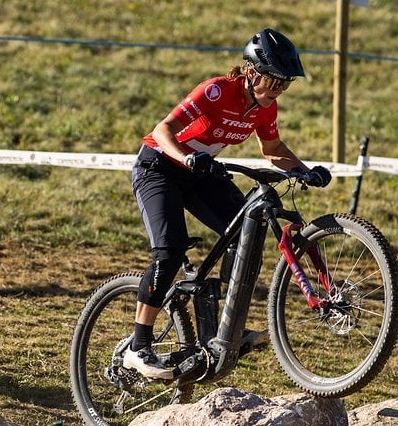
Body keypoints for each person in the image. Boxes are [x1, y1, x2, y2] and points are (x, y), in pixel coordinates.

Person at [124, 28, 332, 379]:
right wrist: (185, 158)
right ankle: (138, 345)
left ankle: (221, 331)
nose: (279, 90)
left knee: (244, 233)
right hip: (160, 166)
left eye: (285, 84)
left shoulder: (265, 108)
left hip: (200, 172)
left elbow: (273, 150)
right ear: (251, 73)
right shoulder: (217, 90)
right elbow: (163, 130)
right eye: (274, 82)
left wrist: (305, 171)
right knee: (170, 250)